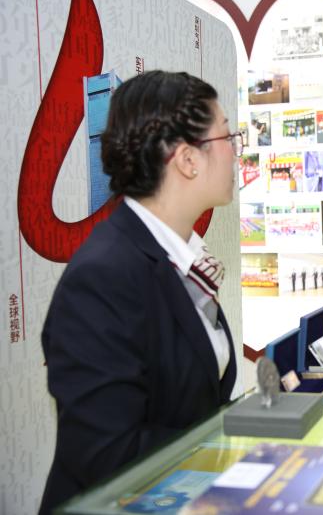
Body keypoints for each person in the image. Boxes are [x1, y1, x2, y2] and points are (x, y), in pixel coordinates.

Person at [38, 71, 240, 514]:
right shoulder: (102, 278)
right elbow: (108, 454)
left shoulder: (182, 257)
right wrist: (234, 450)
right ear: (188, 159)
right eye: (228, 136)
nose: (236, 151)